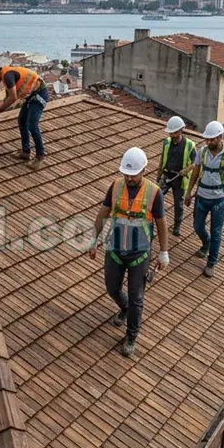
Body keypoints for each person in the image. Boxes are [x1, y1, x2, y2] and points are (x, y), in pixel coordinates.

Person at [90, 147, 170, 357]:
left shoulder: (154, 193)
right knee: (112, 287)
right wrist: (94, 239)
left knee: (137, 297)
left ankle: (131, 336)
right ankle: (124, 307)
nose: (129, 178)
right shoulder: (116, 186)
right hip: (115, 250)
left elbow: (161, 223)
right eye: (126, 174)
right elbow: (103, 213)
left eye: (133, 174)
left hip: (139, 255)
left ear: (144, 170)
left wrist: (164, 252)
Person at [184, 120, 224, 278]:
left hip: (219, 200)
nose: (208, 142)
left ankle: (212, 261)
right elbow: (195, 172)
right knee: (197, 226)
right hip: (201, 196)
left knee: (216, 232)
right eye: (207, 139)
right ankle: (206, 242)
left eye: (212, 139)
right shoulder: (202, 152)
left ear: (220, 137)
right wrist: (188, 192)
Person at [0, 61, 50, 167]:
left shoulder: (7, 75)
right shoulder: (6, 74)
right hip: (31, 97)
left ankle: (40, 156)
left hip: (39, 95)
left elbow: (13, 98)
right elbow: (10, 94)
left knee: (32, 125)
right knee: (22, 121)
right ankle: (25, 152)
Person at [154, 116, 197, 236]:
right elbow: (162, 158)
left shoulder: (189, 145)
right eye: (170, 133)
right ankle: (155, 219)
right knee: (156, 196)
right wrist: (159, 174)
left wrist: (186, 170)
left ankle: (177, 226)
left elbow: (196, 162)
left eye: (174, 133)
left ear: (181, 130)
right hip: (167, 175)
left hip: (179, 179)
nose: (172, 135)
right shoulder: (167, 142)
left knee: (178, 204)